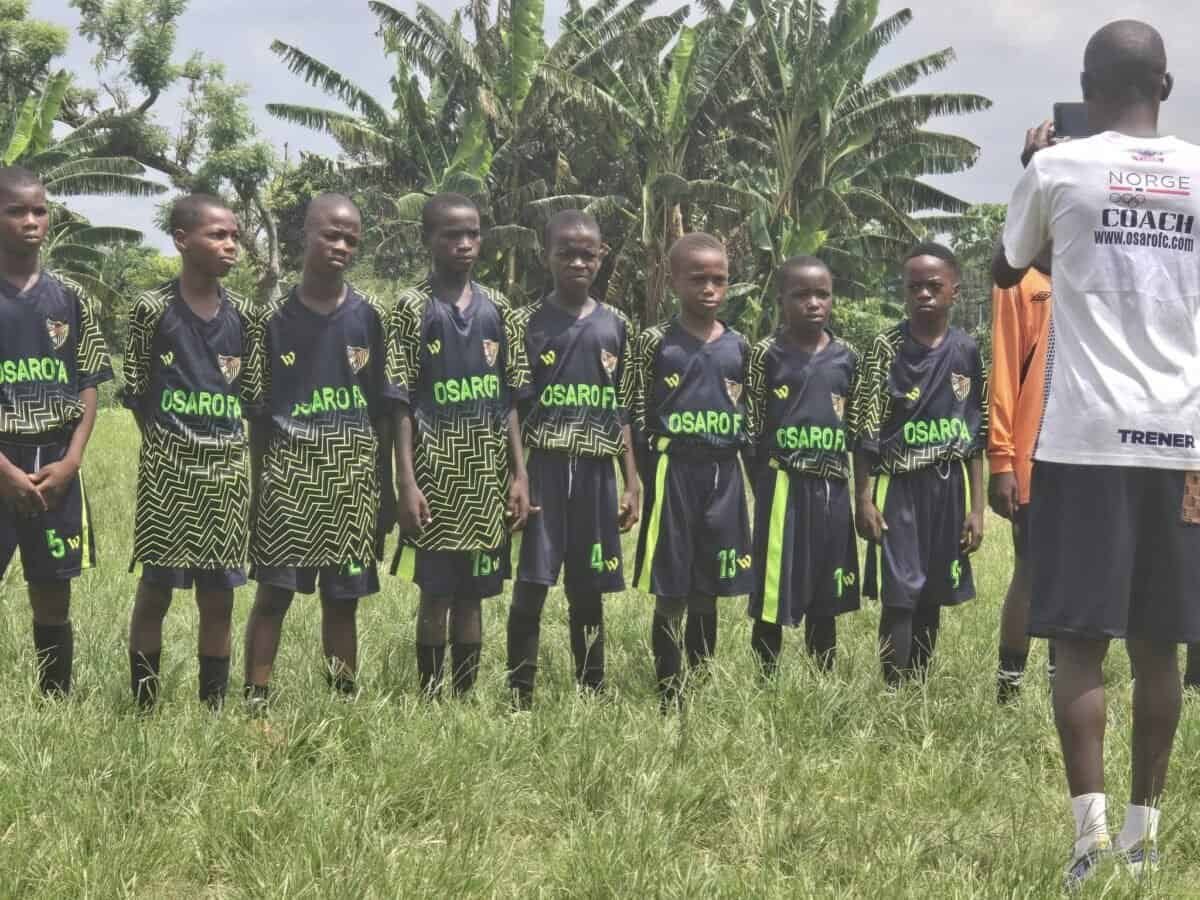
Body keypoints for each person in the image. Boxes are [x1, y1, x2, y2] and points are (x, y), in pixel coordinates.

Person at [992, 20, 1200, 887]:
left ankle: (1088, 841)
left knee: (1078, 639)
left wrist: (1033, 163)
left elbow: (1007, 271)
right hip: (1181, 438)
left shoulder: (1057, 168)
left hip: (1083, 437)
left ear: (1086, 85)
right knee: (1161, 643)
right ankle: (1144, 837)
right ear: (1167, 84)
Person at [242, 193, 397, 708]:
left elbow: (383, 410)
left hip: (353, 478)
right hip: (288, 478)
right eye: (330, 234)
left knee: (343, 599)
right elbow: (258, 417)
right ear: (304, 234)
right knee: (274, 596)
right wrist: (257, 487)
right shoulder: (270, 321)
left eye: (350, 238)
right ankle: (256, 697)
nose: (340, 245)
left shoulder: (370, 317)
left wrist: (387, 487)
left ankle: (342, 701)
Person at [388, 193, 531, 698]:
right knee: (436, 594)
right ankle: (429, 695)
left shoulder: (501, 309)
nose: (465, 243)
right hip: (433, 475)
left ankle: (464, 695)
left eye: (472, 232)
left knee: (473, 596)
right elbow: (400, 402)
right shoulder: (409, 308)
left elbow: (511, 399)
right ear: (429, 240)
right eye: (452, 234)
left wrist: (519, 475)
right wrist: (406, 481)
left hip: (486, 478)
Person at [123, 194, 257, 710]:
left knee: (219, 596)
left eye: (234, 237)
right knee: (155, 591)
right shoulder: (151, 310)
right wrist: (170, 443)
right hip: (167, 473)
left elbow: (250, 396)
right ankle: (143, 705)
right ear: (182, 241)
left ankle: (213, 706)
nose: (230, 246)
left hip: (227, 474)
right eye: (218, 235)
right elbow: (135, 391)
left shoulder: (245, 316)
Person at [505, 210, 639, 709]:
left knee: (588, 589)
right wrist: (518, 475)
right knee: (533, 585)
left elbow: (622, 408)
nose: (579, 262)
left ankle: (592, 691)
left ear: (601, 257)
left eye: (589, 253)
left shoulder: (616, 325)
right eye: (567, 253)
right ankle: (520, 695)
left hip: (596, 474)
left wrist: (631, 479)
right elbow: (513, 406)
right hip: (544, 467)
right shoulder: (525, 323)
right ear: (548, 258)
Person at [851, 243, 986, 687]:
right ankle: (893, 689)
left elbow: (975, 436)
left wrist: (977, 508)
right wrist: (864, 498)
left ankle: (919, 688)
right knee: (900, 594)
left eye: (934, 286)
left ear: (955, 291)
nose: (924, 294)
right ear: (904, 293)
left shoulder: (967, 350)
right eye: (915, 288)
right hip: (899, 486)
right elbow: (865, 431)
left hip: (948, 488)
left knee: (932, 593)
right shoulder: (884, 348)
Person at [0, 166, 112, 696]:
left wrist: (71, 462)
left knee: (52, 589)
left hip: (56, 467)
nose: (30, 220)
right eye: (16, 210)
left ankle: (55, 698)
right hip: (2, 459)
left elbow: (88, 383)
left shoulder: (72, 299)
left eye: (39, 210)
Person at [632, 232, 754, 709]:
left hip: (724, 475)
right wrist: (639, 479)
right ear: (673, 282)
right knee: (673, 586)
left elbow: (752, 423)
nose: (710, 288)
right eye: (698, 279)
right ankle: (669, 687)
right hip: (673, 471)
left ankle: (701, 680)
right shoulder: (655, 343)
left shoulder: (742, 348)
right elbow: (634, 414)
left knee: (711, 585)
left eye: (719, 279)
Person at [745, 257, 859, 676]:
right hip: (782, 485)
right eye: (801, 295)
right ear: (781, 302)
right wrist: (765, 484)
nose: (813, 303)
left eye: (822, 294)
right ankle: (765, 678)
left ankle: (821, 679)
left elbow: (858, 429)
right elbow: (752, 429)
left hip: (831, 488)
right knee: (773, 591)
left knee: (825, 591)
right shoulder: (765, 355)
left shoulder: (849, 358)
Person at [988, 245, 1055, 703]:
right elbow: (1005, 372)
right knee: (1030, 570)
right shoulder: (1018, 281)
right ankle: (1008, 690)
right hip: (1035, 457)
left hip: (1091, 459)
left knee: (1077, 576)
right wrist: (1002, 460)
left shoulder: (1092, 263)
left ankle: (1062, 684)